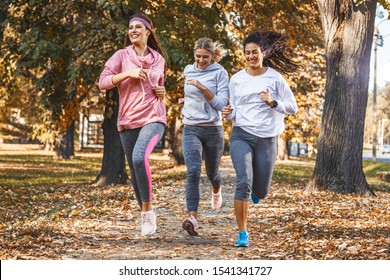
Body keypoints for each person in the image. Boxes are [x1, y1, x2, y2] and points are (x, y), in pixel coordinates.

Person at [222, 30, 299, 247]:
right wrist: (229, 113)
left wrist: (273, 103)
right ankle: (242, 233)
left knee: (261, 191)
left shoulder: (275, 77)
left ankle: (257, 192)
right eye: (247, 53)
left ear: (262, 52)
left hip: (267, 138)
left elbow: (293, 107)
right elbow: (236, 108)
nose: (251, 56)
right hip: (242, 135)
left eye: (255, 52)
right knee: (243, 181)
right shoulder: (236, 79)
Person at [99, 13, 167, 236]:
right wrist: (127, 73)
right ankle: (145, 212)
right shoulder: (121, 56)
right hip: (128, 120)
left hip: (153, 117)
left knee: (140, 158)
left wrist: (162, 91)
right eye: (130, 27)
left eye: (139, 27)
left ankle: (147, 214)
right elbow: (103, 82)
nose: (133, 30)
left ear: (148, 31)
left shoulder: (159, 59)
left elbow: (159, 88)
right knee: (135, 170)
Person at [180, 38, 229, 236]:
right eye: (198, 56)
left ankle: (216, 189)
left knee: (212, 174)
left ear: (213, 56)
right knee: (192, 171)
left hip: (213, 130)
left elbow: (221, 104)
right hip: (191, 127)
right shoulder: (187, 70)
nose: (200, 61)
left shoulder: (220, 72)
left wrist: (202, 87)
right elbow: (192, 95)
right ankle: (193, 218)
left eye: (205, 57)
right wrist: (186, 100)